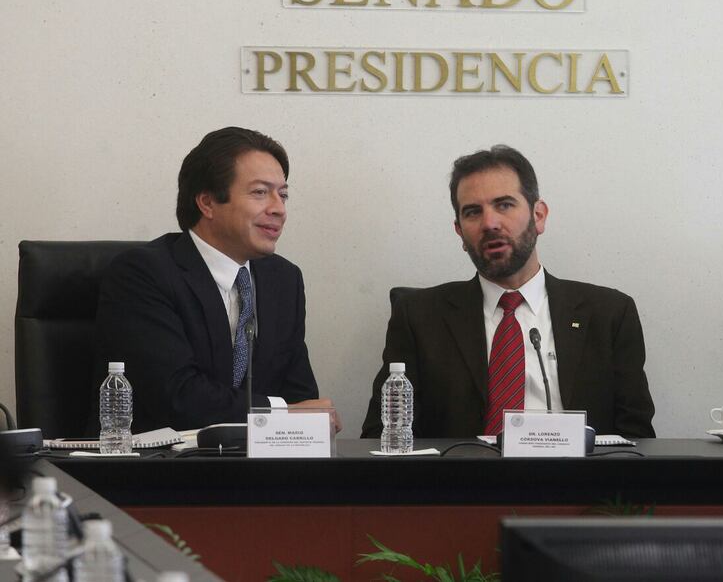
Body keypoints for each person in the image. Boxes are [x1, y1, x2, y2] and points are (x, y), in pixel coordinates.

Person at [360, 145, 655, 439]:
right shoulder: (419, 317)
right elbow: (381, 436)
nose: (490, 224)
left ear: (538, 216)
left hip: (575, 469)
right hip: (461, 470)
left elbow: (638, 441)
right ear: (459, 232)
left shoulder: (609, 314)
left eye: (504, 205)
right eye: (473, 212)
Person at [95, 127, 340, 433]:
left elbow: (301, 399)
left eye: (283, 195)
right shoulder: (144, 274)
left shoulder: (283, 280)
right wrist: (279, 412)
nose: (279, 209)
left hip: (259, 461)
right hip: (164, 459)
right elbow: (179, 397)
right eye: (260, 192)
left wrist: (307, 419)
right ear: (207, 202)